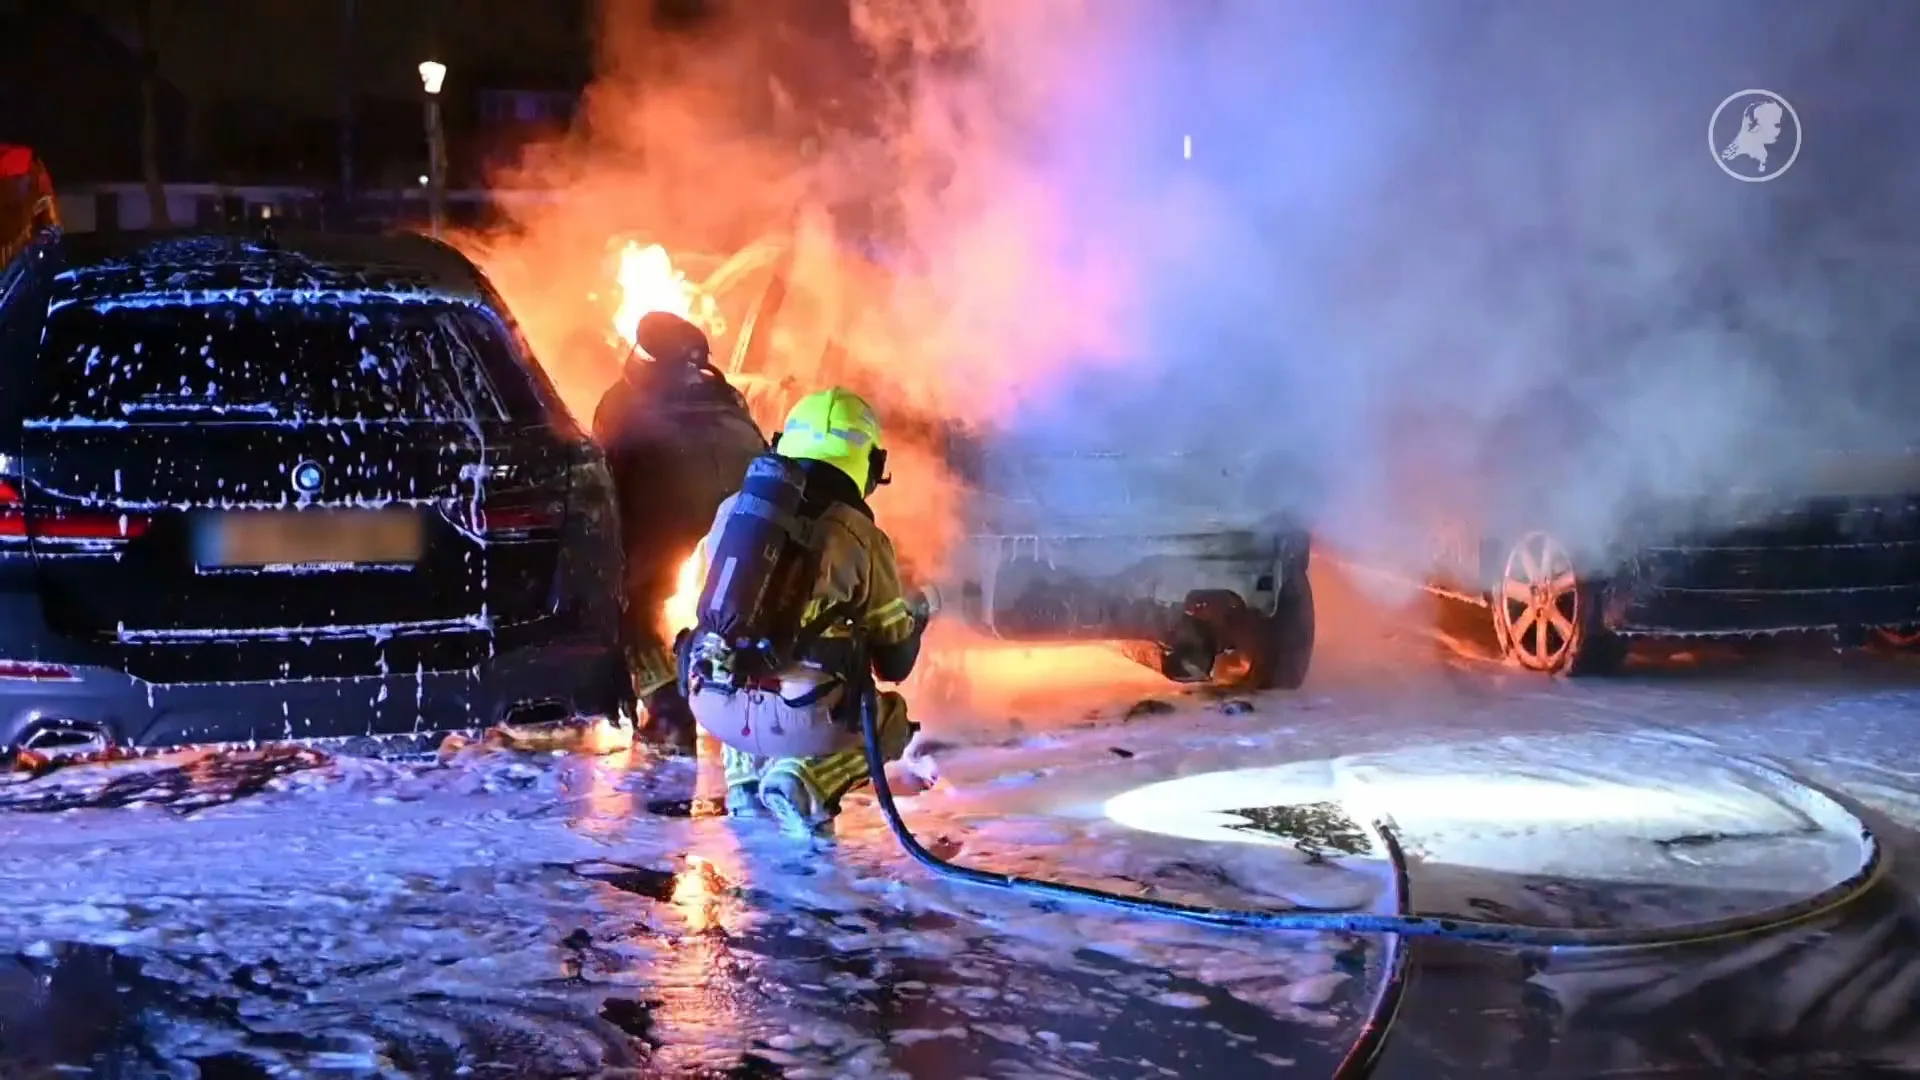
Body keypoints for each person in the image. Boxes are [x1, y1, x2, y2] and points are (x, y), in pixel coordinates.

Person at [679, 386, 934, 840]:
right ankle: (801, 784)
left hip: (713, 703)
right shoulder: (858, 534)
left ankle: (745, 783)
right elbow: (894, 663)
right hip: (800, 719)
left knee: (745, 657)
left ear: (782, 444)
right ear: (873, 465)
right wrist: (918, 610)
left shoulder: (733, 511)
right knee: (891, 723)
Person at [592, 311, 767, 751]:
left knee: (629, 602)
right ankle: (744, 700)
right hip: (740, 508)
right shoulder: (729, 397)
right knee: (737, 599)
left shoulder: (620, 401)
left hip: (665, 511)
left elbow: (609, 475)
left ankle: (669, 713)